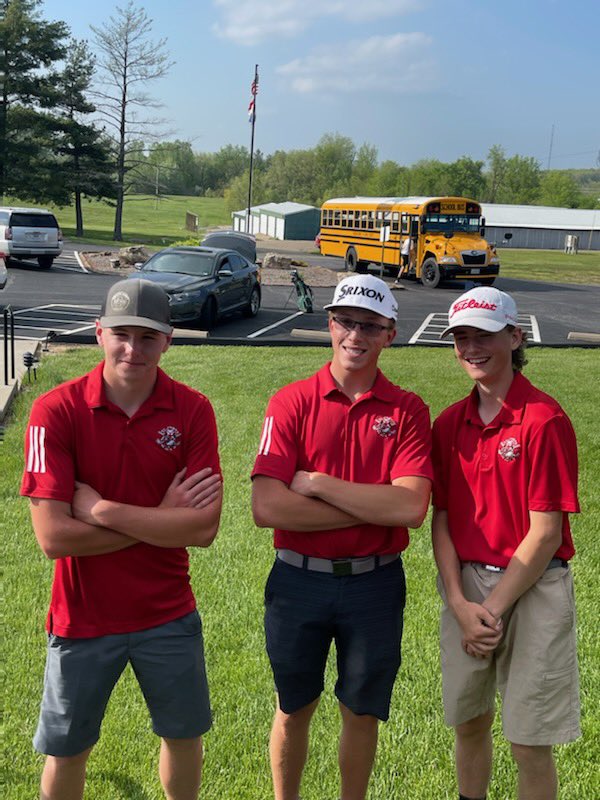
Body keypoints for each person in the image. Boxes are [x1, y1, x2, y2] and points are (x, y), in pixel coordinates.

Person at [21, 278, 223, 800]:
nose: (133, 349)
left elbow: (202, 528)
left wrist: (103, 510)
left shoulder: (192, 410)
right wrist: (160, 519)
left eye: (148, 336)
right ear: (99, 334)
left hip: (167, 611)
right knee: (67, 749)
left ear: (168, 341)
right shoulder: (54, 412)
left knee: (183, 735)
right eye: (121, 334)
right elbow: (54, 537)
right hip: (82, 617)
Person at [251, 274, 433, 800]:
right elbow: (267, 507)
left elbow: (411, 506)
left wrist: (322, 486)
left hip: (374, 584)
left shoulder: (407, 410)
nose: (355, 335)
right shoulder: (290, 402)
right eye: (345, 322)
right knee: (293, 706)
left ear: (390, 334)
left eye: (370, 326)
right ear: (330, 326)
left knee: (362, 709)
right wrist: (373, 505)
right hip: (297, 579)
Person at [431, 287, 580, 800]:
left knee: (527, 740)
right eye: (462, 337)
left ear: (514, 337)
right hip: (467, 586)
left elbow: (546, 533)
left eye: (485, 335)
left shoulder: (544, 419)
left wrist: (489, 611)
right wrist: (458, 601)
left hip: (533, 588)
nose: (472, 347)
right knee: (469, 722)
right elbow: (443, 518)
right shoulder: (449, 423)